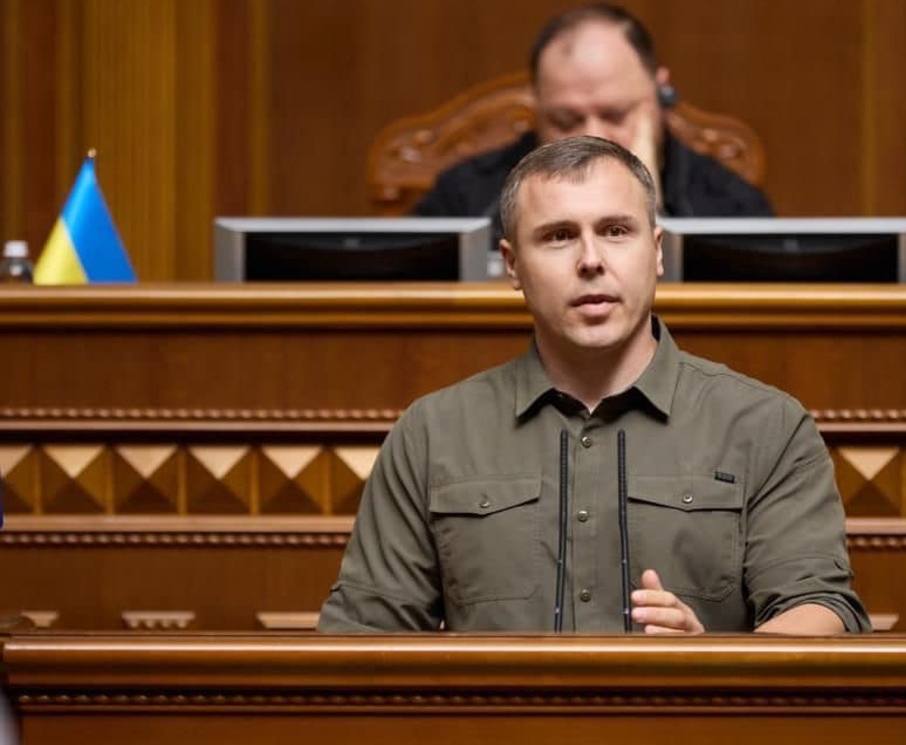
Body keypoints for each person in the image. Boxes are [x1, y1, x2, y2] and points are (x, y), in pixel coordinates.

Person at [319, 136, 867, 635]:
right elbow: (363, 635)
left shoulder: (766, 425)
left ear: (656, 250)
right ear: (512, 265)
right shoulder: (433, 433)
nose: (590, 260)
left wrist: (712, 663)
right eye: (558, 237)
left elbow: (820, 607)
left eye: (616, 231)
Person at [413, 3, 773, 244]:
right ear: (535, 107)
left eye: (615, 115)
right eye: (565, 120)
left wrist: (647, 203)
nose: (592, 136)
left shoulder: (730, 205)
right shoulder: (465, 197)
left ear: (661, 95)